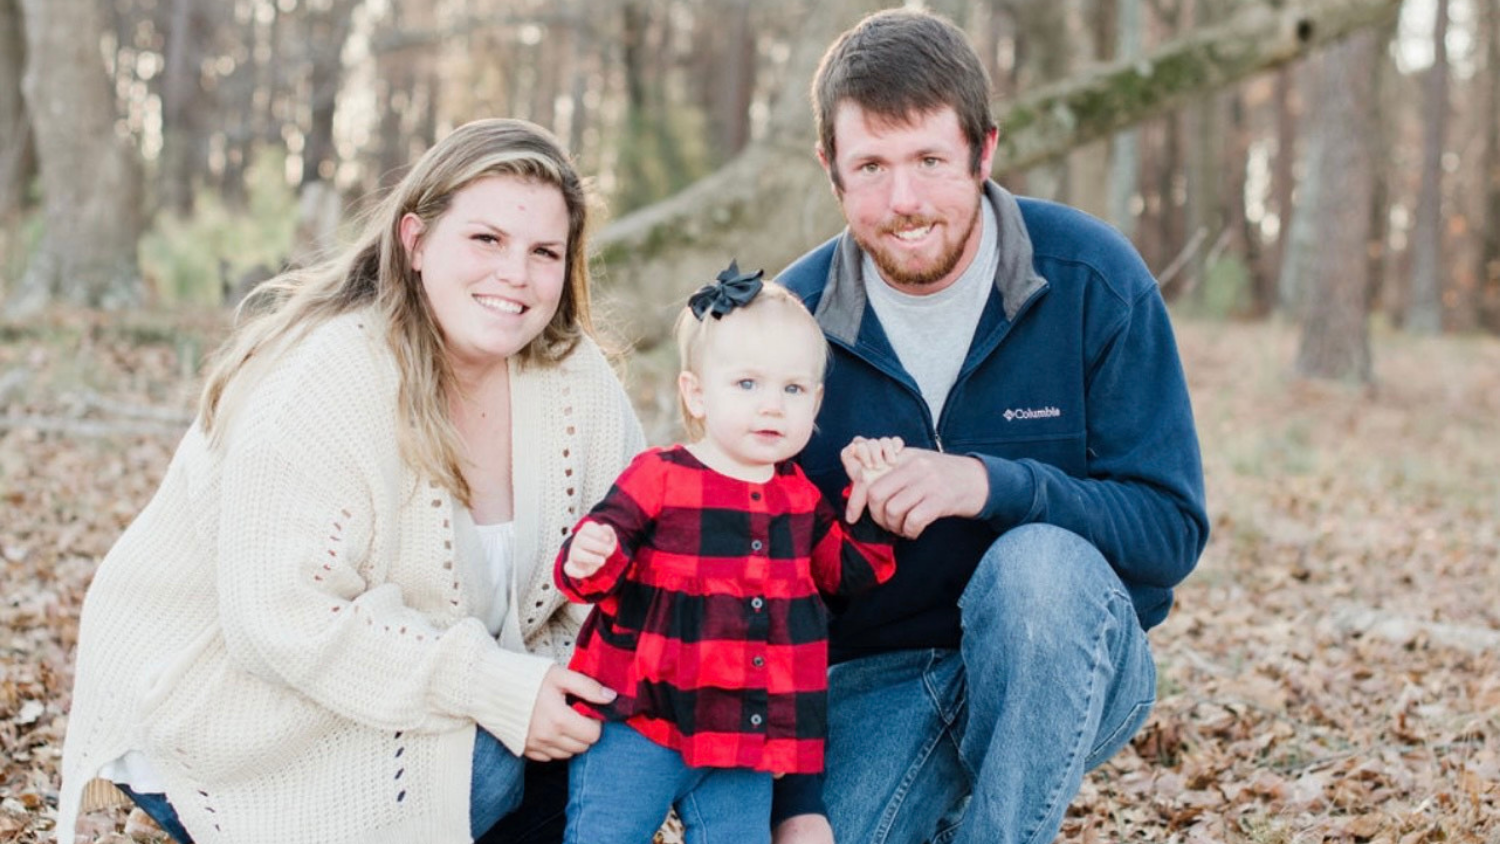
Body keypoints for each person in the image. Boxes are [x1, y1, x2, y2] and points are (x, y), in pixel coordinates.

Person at [55, 118, 646, 844]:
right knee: (485, 763)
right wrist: (499, 687)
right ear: (416, 242)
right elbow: (281, 619)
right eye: (486, 240)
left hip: (419, 674)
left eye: (544, 252)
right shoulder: (328, 376)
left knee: (605, 746)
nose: (515, 276)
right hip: (242, 697)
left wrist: (582, 688)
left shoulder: (573, 379)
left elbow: (631, 567)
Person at [769, 10, 1210, 844]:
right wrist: (791, 802)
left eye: (931, 161)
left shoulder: (1092, 280)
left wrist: (986, 484)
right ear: (831, 169)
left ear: (985, 150)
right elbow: (758, 584)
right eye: (871, 166)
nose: (905, 202)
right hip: (881, 679)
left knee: (1036, 567)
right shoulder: (787, 330)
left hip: (1071, 651)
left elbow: (1171, 528)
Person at [552, 267, 902, 843]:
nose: (771, 407)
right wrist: (590, 554)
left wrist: (870, 504)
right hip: (643, 722)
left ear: (815, 403)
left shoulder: (799, 497)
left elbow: (845, 573)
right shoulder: (659, 476)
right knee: (604, 834)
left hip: (745, 732)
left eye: (792, 390)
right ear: (696, 393)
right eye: (747, 385)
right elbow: (595, 570)